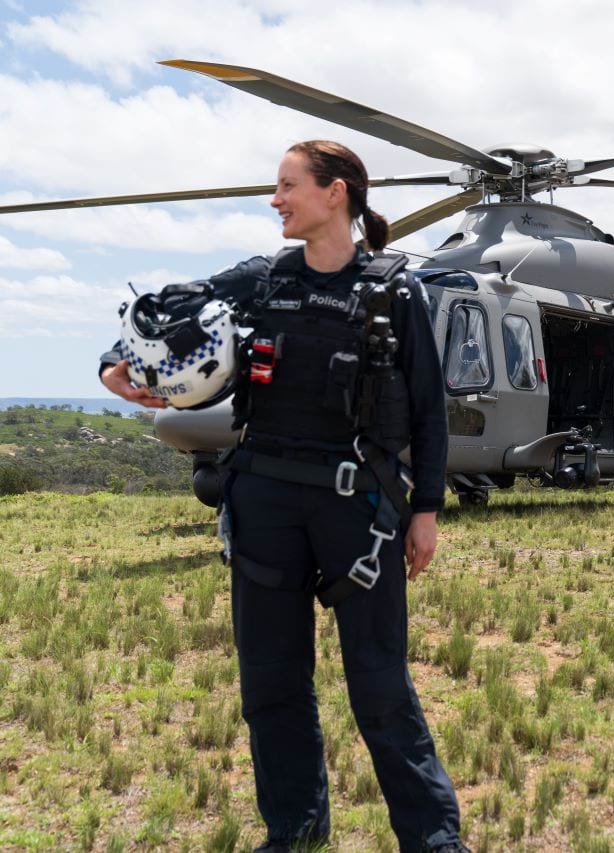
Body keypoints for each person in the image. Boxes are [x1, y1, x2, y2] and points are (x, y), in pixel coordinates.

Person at [99, 140, 466, 852]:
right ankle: (295, 827)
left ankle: (433, 839)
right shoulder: (261, 279)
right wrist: (114, 363)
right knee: (270, 683)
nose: (275, 200)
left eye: (287, 185)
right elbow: (170, 315)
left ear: (336, 194)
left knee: (381, 687)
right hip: (263, 501)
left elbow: (430, 412)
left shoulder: (395, 290)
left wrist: (426, 511)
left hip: (357, 511)